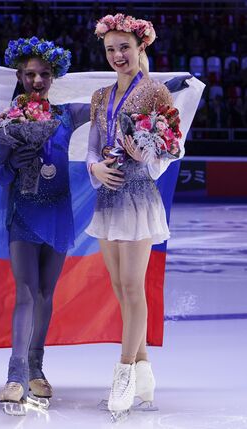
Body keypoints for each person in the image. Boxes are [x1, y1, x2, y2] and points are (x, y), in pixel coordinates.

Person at [86, 14, 178, 418]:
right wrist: (94, 169)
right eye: (111, 49)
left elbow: (176, 146)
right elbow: (91, 147)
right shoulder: (100, 96)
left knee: (132, 284)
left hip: (139, 194)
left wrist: (149, 155)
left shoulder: (156, 92)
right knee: (119, 288)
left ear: (142, 47)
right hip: (108, 196)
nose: (118, 55)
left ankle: (123, 374)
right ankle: (143, 370)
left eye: (125, 47)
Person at [0, 37, 90, 415]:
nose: (37, 80)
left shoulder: (67, 114)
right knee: (26, 292)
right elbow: (1, 177)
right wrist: (15, 162)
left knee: (47, 293)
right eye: (30, 74)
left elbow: (107, 106)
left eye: (44, 74)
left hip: (57, 212)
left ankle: (36, 365)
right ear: (19, 76)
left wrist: (160, 83)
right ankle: (15, 374)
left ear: (54, 77)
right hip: (23, 214)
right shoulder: (9, 120)